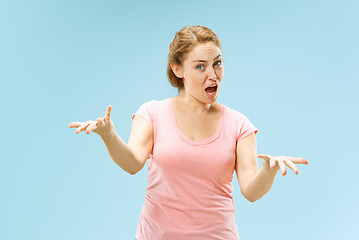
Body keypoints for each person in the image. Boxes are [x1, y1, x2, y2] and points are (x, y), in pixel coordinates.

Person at [69, 25, 309, 240]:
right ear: (178, 69)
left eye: (217, 63)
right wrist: (109, 135)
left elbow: (251, 191)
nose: (212, 74)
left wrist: (268, 172)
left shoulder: (239, 125)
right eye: (200, 66)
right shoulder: (152, 113)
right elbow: (132, 163)